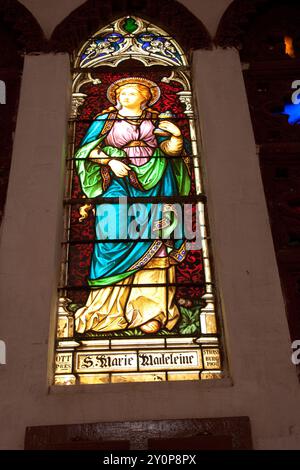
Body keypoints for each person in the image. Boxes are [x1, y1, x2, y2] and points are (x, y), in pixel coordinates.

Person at [74, 77, 190, 334]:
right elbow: (85, 151)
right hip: (117, 182)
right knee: (113, 235)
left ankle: (150, 311)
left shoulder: (157, 120)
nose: (123, 96)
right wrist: (108, 161)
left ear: (144, 96)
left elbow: (172, 151)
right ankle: (107, 312)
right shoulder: (104, 121)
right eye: (121, 93)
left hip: (157, 181)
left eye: (130, 92)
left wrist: (176, 134)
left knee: (155, 241)